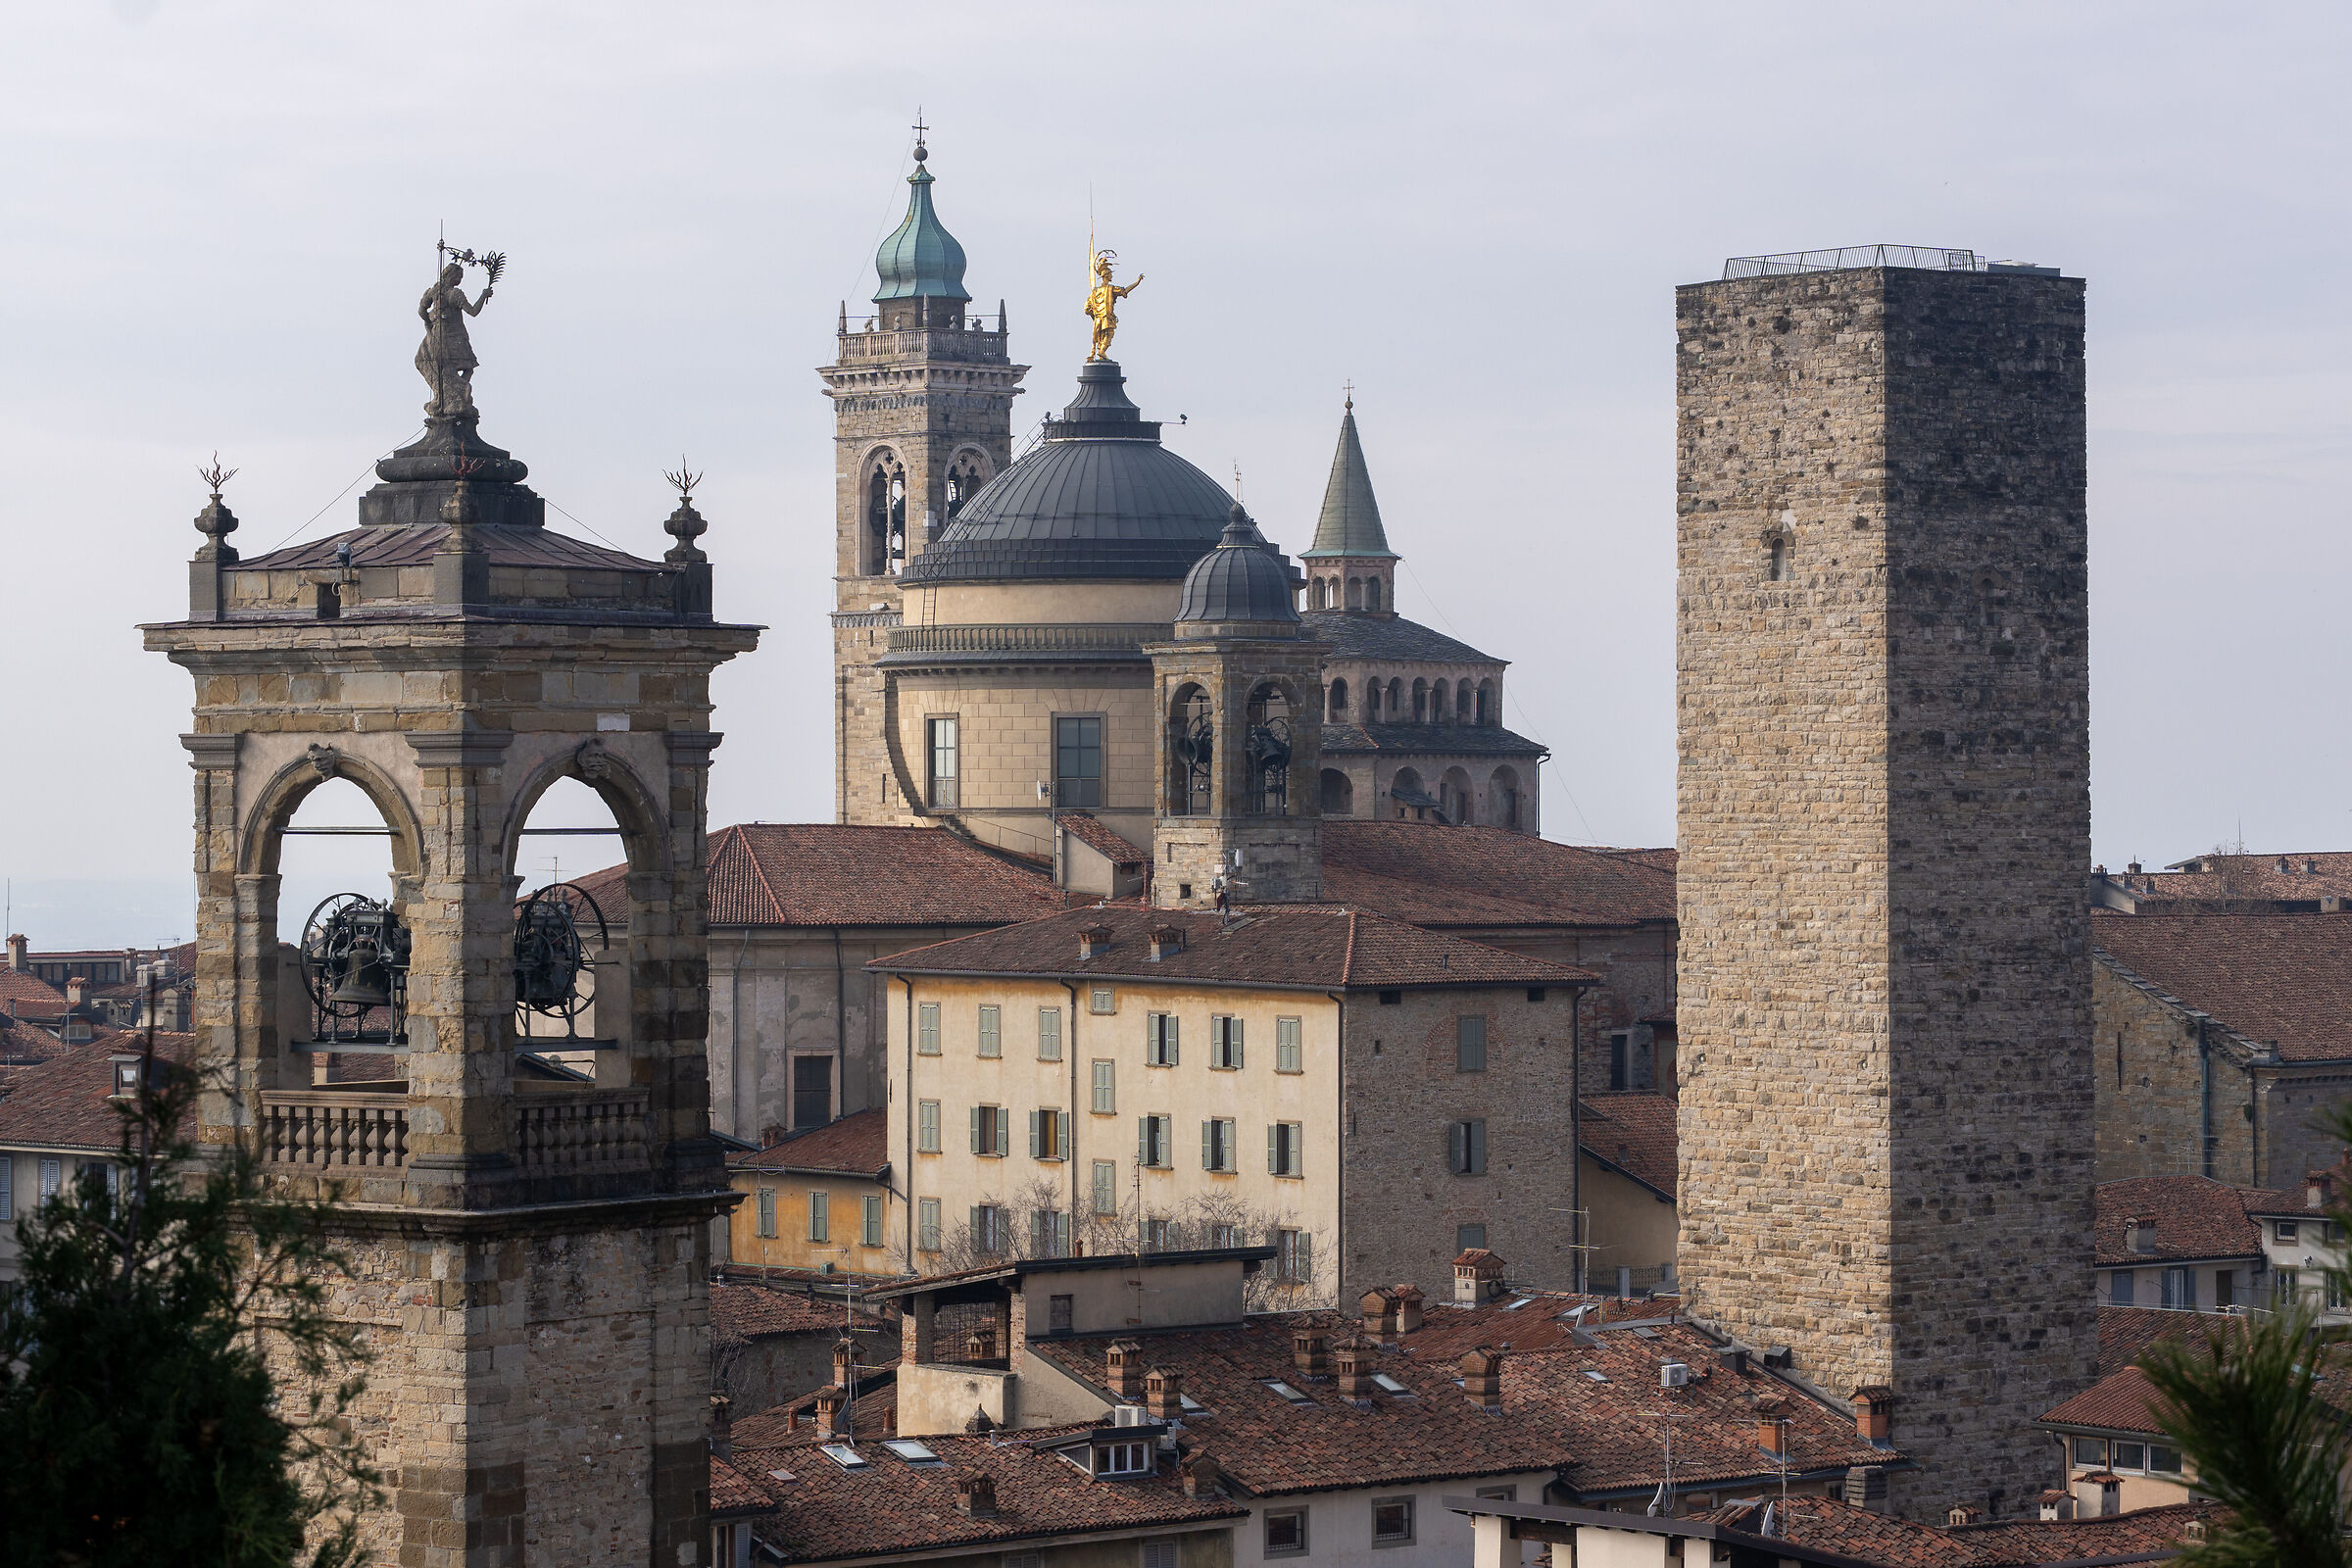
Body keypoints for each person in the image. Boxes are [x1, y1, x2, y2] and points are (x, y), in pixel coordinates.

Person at [416, 260, 493, 416]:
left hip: (436, 337)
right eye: (460, 277)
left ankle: (449, 397)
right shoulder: (455, 294)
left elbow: (422, 310)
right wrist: (483, 295)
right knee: (468, 367)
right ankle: (459, 395)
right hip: (454, 339)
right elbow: (473, 311)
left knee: (440, 367)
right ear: (454, 277)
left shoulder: (435, 290)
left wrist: (430, 322)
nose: (460, 281)